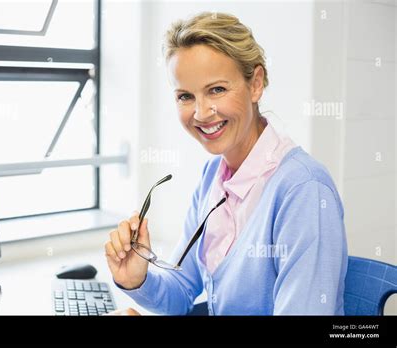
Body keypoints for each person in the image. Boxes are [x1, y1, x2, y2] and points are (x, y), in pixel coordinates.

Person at [104, 12, 348, 315]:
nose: (202, 113)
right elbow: (182, 291)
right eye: (185, 96)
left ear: (255, 84)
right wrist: (136, 278)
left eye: (216, 89)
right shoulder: (213, 176)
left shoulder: (305, 190)